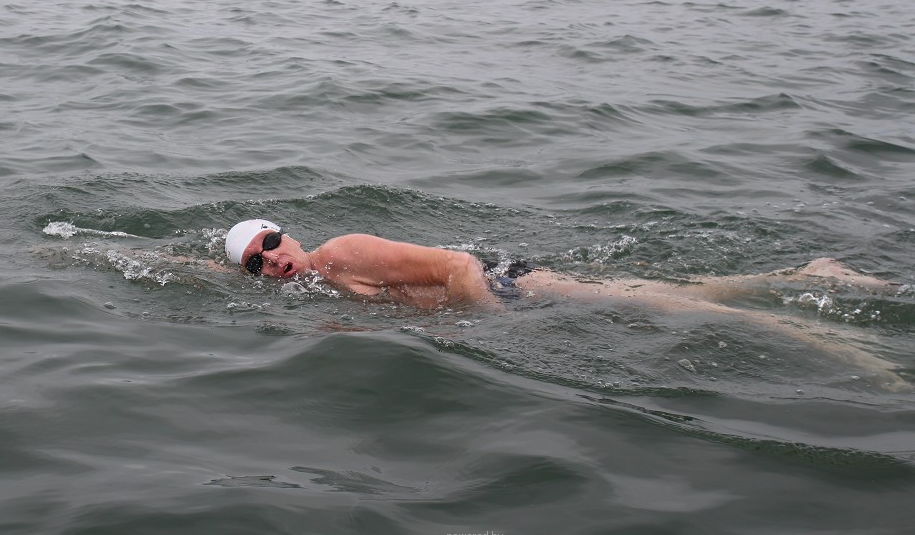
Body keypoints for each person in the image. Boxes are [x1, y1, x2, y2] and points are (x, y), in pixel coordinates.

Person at [224, 218, 897, 312]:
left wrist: (498, 326)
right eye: (255, 266)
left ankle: (819, 323)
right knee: (677, 290)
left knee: (674, 305)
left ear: (289, 233)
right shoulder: (320, 285)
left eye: (270, 244)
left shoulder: (342, 254)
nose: (271, 262)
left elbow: (459, 266)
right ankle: (813, 276)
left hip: (510, 286)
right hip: (511, 289)